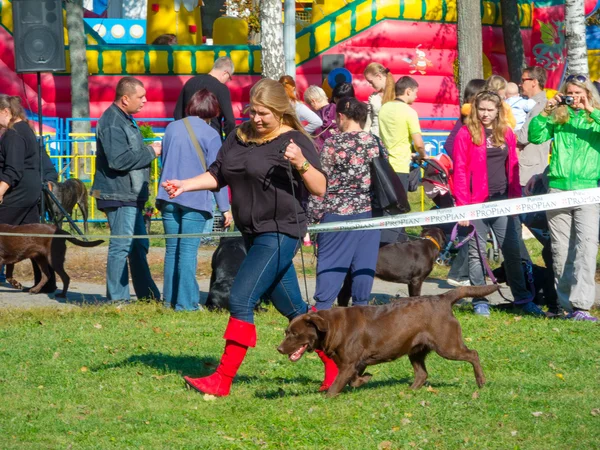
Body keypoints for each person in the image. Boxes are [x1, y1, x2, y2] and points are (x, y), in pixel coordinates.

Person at [162, 79, 329, 397]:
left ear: (281, 112)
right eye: (253, 111)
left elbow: (319, 187)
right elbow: (217, 174)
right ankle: (338, 365)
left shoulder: (293, 141)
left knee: (241, 299)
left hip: (281, 231)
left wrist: (301, 162)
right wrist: (185, 184)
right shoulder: (237, 137)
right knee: (293, 308)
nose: (257, 118)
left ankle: (222, 379)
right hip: (252, 233)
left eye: (264, 113)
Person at [453, 91, 545, 317]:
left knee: (513, 251)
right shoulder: (465, 133)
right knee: (477, 254)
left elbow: (513, 167)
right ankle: (479, 299)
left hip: (502, 201)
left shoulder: (507, 133)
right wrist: (462, 206)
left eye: (489, 110)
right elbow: (460, 172)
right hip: (475, 203)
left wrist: (514, 202)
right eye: (481, 109)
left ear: (498, 111)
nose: (485, 114)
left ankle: (522, 299)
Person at [528, 74, 600, 321]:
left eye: (580, 93)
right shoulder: (559, 116)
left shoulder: (594, 118)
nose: (575, 98)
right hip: (558, 190)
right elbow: (535, 136)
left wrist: (591, 109)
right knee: (560, 249)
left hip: (588, 189)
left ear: (588, 93)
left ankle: (582, 306)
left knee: (586, 247)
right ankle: (566, 305)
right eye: (571, 93)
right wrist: (546, 111)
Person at [157, 89, 232, 311]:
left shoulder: (171, 127)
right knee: (188, 252)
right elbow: (216, 175)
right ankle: (186, 304)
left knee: (172, 250)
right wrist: (225, 208)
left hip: (168, 194)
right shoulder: (210, 135)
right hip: (194, 198)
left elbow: (164, 160)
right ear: (213, 110)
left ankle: (169, 300)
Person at [91, 77, 161, 302]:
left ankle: (148, 296)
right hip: (118, 194)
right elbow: (118, 161)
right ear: (125, 99)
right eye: (141, 97)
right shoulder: (112, 122)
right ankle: (118, 300)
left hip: (130, 195)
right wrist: (151, 151)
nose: (145, 101)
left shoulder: (124, 118)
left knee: (139, 245)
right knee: (121, 247)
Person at [312, 97, 382, 310]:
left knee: (330, 269)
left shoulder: (333, 143)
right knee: (363, 269)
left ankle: (321, 315)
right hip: (367, 213)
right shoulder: (374, 142)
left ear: (341, 116)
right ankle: (361, 318)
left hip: (336, 214)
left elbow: (320, 182)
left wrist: (313, 216)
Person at [379, 76, 426, 192]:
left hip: (384, 164)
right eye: (415, 92)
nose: (417, 96)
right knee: (400, 206)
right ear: (408, 91)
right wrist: (423, 155)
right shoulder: (410, 112)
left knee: (387, 205)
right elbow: (419, 144)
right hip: (400, 166)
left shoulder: (384, 108)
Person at [173, 56, 236, 138]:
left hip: (187, 136)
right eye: (229, 78)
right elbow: (230, 121)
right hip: (212, 137)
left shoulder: (190, 82)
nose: (228, 81)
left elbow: (177, 113)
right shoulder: (221, 88)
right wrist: (229, 140)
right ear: (225, 73)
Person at [517, 66, 550, 189]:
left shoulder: (540, 106)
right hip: (530, 168)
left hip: (531, 172)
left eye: (523, 80)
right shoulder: (529, 103)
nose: (520, 84)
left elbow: (523, 136)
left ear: (534, 82)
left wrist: (504, 132)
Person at [363, 62, 395, 136]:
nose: (370, 85)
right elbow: (368, 122)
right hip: (375, 139)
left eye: (371, 81)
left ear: (379, 76)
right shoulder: (373, 97)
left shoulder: (397, 93)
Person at [304, 85, 338, 150]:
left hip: (323, 153)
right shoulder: (339, 110)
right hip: (341, 151)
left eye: (309, 104)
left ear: (313, 101)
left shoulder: (315, 118)